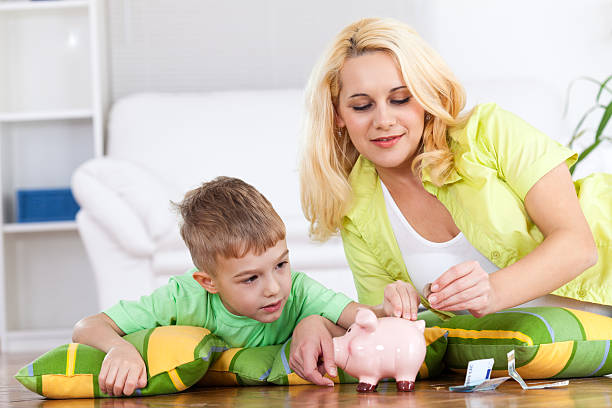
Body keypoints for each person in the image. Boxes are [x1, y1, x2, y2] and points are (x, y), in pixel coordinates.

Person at [291, 16, 612, 384]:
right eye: (362, 106)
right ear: (337, 117)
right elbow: (387, 331)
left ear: (426, 96)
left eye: (401, 98)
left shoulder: (489, 132)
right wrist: (317, 322)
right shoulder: (356, 208)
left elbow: (578, 245)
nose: (383, 120)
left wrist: (492, 291)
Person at [72, 176, 405, 396]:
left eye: (281, 264)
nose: (274, 288)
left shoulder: (300, 291)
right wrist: (119, 349)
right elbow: (88, 326)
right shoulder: (183, 298)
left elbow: (365, 319)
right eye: (250, 278)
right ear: (208, 282)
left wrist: (389, 309)